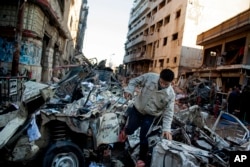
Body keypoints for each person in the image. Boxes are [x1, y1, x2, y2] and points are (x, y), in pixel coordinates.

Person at [120, 69, 175, 167]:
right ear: (159, 77)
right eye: (161, 82)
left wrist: (167, 129)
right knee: (131, 129)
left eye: (166, 84)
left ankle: (141, 159)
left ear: (171, 83)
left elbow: (169, 113)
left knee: (144, 137)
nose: (163, 85)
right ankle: (126, 131)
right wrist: (129, 90)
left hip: (150, 115)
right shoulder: (150, 77)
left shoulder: (170, 95)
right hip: (138, 109)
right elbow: (134, 81)